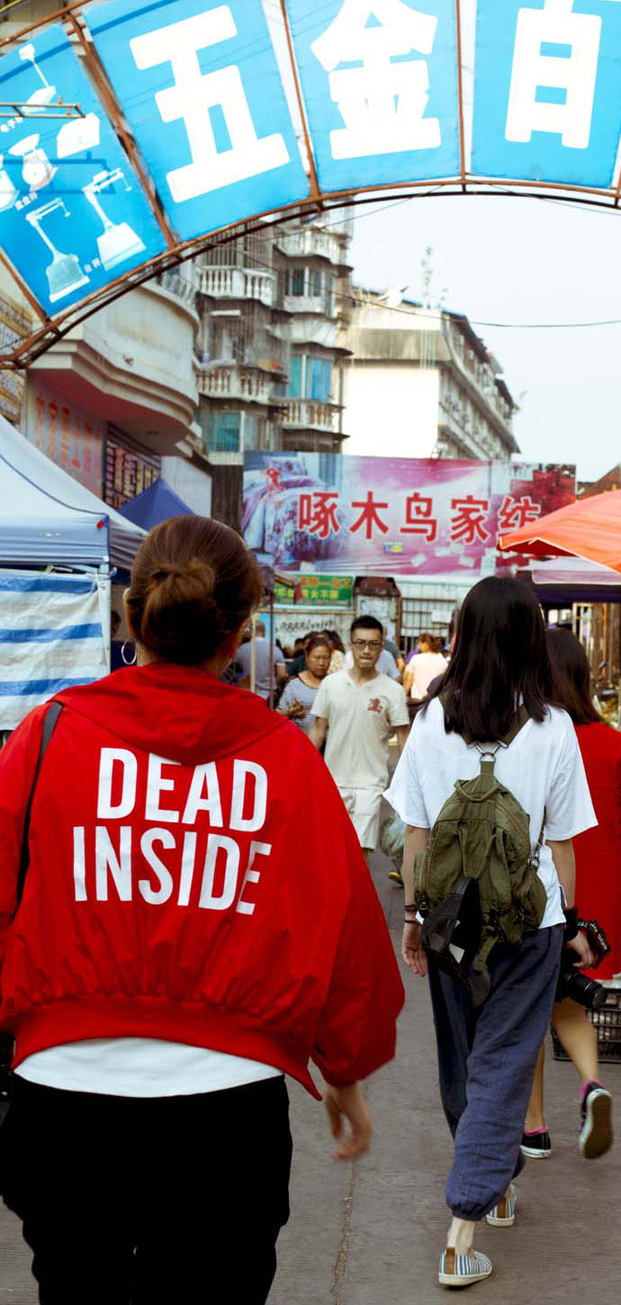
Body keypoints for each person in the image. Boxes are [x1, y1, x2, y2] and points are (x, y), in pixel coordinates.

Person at [0, 516, 403, 1303]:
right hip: (225, 1115)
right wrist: (344, 1070)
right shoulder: (282, 756)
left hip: (62, 1105)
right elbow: (346, 924)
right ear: (243, 629)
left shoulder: (49, 735)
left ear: (132, 615)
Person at [385, 577, 597, 1291]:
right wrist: (567, 921)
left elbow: (415, 835)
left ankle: (495, 1184)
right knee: (504, 1063)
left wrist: (414, 919)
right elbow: (561, 842)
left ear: (465, 633)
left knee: (464, 1063)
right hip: (528, 923)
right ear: (530, 639)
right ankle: (464, 1227)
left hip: (449, 920)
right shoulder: (555, 726)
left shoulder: (429, 720)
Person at [523, 629, 621, 1162]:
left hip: (545, 884)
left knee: (527, 1006)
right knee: (568, 998)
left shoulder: (528, 733)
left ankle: (534, 1128)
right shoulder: (611, 739)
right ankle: (592, 1085)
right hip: (595, 885)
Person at [309, 616, 409, 865]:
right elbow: (319, 728)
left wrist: (409, 783)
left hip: (371, 785)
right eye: (360, 643)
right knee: (330, 855)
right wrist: (303, 770)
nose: (366, 650)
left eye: (373, 644)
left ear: (381, 646)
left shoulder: (392, 690)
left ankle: (351, 904)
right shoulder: (331, 685)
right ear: (350, 644)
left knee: (358, 858)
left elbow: (403, 736)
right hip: (332, 783)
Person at [277, 632, 332, 734]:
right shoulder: (294, 685)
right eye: (317, 657)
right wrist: (290, 712)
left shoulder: (334, 684)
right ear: (307, 657)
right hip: (300, 743)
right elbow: (278, 714)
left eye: (326, 658)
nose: (321, 663)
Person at [234, 619, 287, 704]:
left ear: (251, 632)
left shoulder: (240, 650)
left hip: (245, 694)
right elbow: (282, 674)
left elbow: (234, 671)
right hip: (268, 695)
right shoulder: (274, 649)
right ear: (264, 632)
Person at [403, 634, 448, 704]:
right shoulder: (442, 660)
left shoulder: (416, 659)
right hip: (435, 701)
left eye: (420, 643)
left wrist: (403, 696)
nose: (419, 645)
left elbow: (408, 680)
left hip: (417, 701)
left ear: (425, 644)